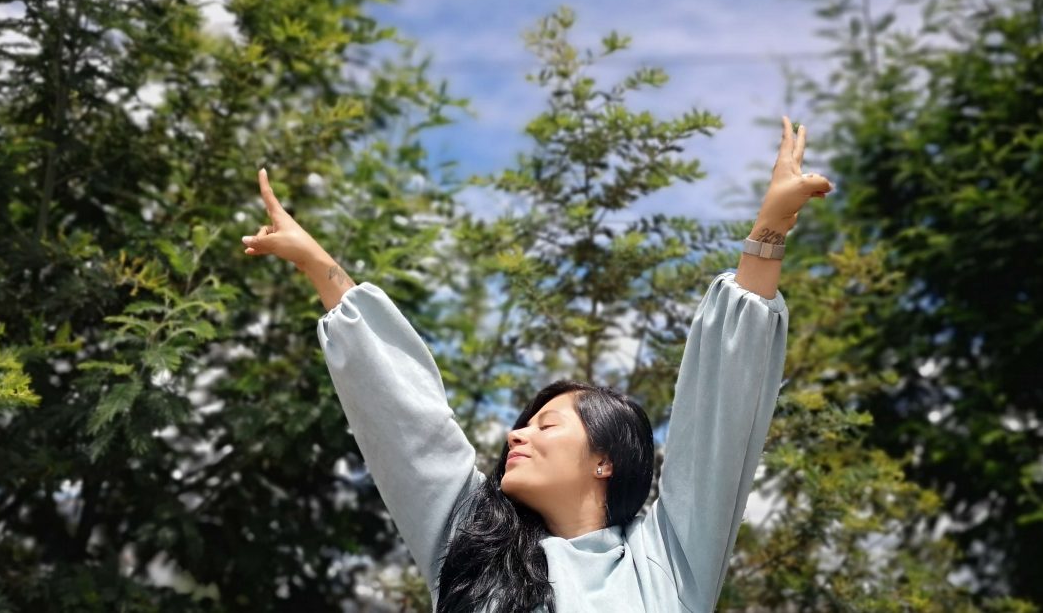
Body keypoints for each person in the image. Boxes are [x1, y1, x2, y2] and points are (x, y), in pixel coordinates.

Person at [242, 117, 834, 612]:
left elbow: (719, 425)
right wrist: (317, 264)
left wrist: (770, 230)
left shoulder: (667, 563)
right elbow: (406, 426)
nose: (515, 433)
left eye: (546, 424)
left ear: (606, 459)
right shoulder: (471, 545)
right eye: (528, 423)